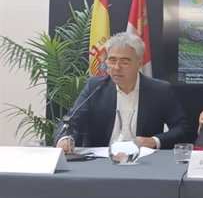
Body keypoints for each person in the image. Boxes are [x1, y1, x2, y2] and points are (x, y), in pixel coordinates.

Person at [55, 32, 191, 153]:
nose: (116, 68)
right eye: (112, 60)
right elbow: (71, 122)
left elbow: (182, 129)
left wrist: (154, 141)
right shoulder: (96, 87)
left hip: (144, 163)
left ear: (139, 63)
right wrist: (65, 139)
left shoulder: (159, 90)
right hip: (100, 163)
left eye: (124, 62)